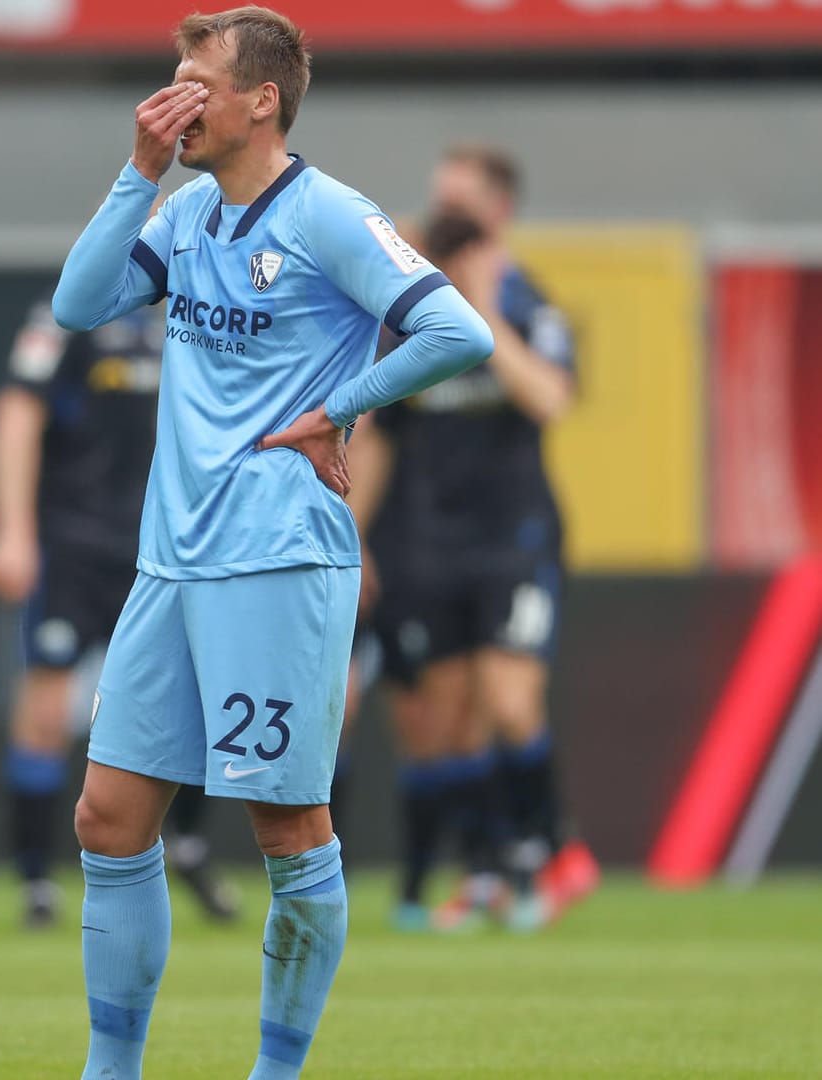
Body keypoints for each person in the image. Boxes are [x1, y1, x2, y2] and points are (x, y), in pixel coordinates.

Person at [49, 8, 493, 1076]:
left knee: (287, 830)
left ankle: (277, 1072)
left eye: (195, 77)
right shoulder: (191, 207)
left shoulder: (330, 215)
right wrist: (137, 174)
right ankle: (112, 1070)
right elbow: (77, 305)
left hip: (279, 558)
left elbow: (457, 330)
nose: (176, 95)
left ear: (262, 100)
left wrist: (342, 403)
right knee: (110, 819)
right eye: (173, 74)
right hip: (173, 561)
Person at [361, 147, 599, 932]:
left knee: (510, 697)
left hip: (514, 535)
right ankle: (493, 870)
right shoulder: (410, 319)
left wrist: (486, 314)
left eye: (459, 204)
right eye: (437, 203)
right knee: (451, 720)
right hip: (433, 543)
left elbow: (552, 399)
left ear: (498, 212)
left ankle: (553, 851)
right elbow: (378, 436)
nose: (441, 218)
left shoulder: (529, 303)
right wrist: (351, 537)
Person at [0, 295, 238, 928]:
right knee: (45, 706)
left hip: (174, 544)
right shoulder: (73, 309)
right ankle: (37, 877)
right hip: (76, 544)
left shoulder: (216, 307)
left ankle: (185, 843)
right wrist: (12, 530)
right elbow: (17, 412)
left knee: (198, 704)